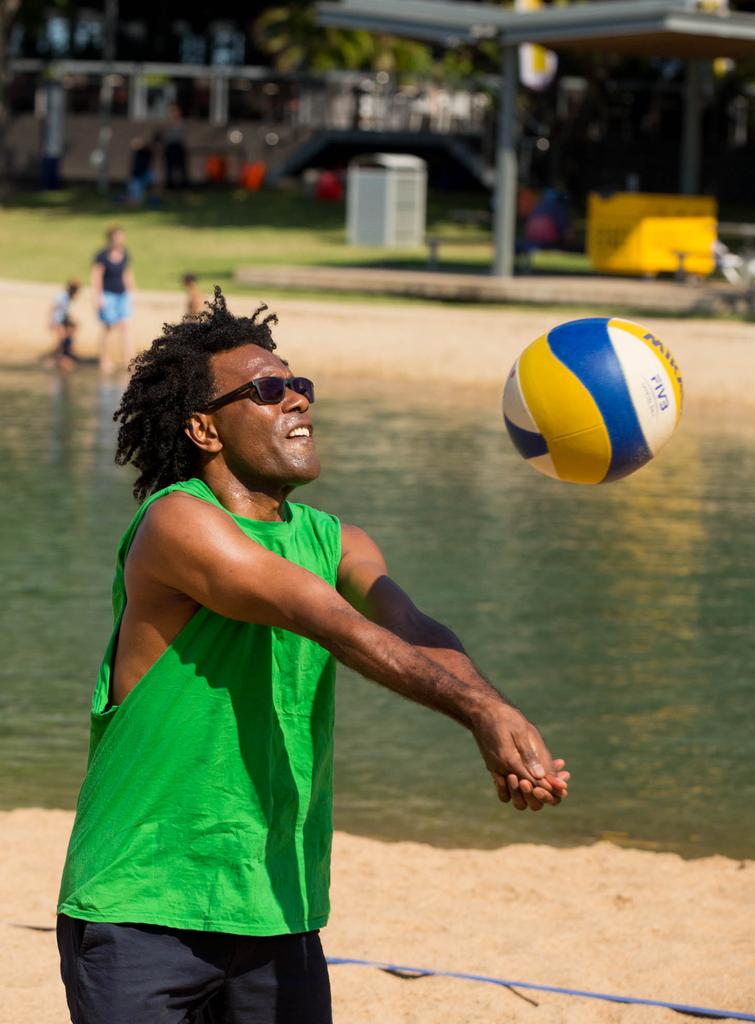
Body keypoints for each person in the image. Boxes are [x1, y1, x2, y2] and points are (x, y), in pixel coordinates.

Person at [57, 288, 569, 1024]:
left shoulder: (339, 541)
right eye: (269, 389)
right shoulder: (177, 523)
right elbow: (325, 618)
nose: (298, 400)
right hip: (142, 904)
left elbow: (415, 626)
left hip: (279, 906)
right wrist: (478, 712)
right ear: (205, 427)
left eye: (301, 385)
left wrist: (503, 723)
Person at [91, 225, 135, 374]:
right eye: (117, 237)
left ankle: (128, 360)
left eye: (121, 236)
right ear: (110, 238)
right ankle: (105, 360)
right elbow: (96, 276)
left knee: (126, 326)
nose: (120, 240)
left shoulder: (125, 253)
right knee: (108, 328)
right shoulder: (102, 256)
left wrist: (131, 292)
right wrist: (98, 296)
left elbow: (127, 273)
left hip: (122, 295)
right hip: (108, 295)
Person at [44, 278, 81, 370]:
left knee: (64, 339)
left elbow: (64, 311)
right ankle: (61, 359)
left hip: (62, 320)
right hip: (57, 320)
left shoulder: (67, 297)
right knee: (63, 339)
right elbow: (53, 308)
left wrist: (73, 321)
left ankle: (57, 357)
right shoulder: (62, 297)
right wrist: (51, 321)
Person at [162, 103, 188, 190]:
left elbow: (180, 135)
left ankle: (182, 184)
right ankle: (170, 184)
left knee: (181, 166)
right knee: (169, 167)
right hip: (170, 146)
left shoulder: (181, 122)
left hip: (178, 145)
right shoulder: (167, 123)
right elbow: (164, 135)